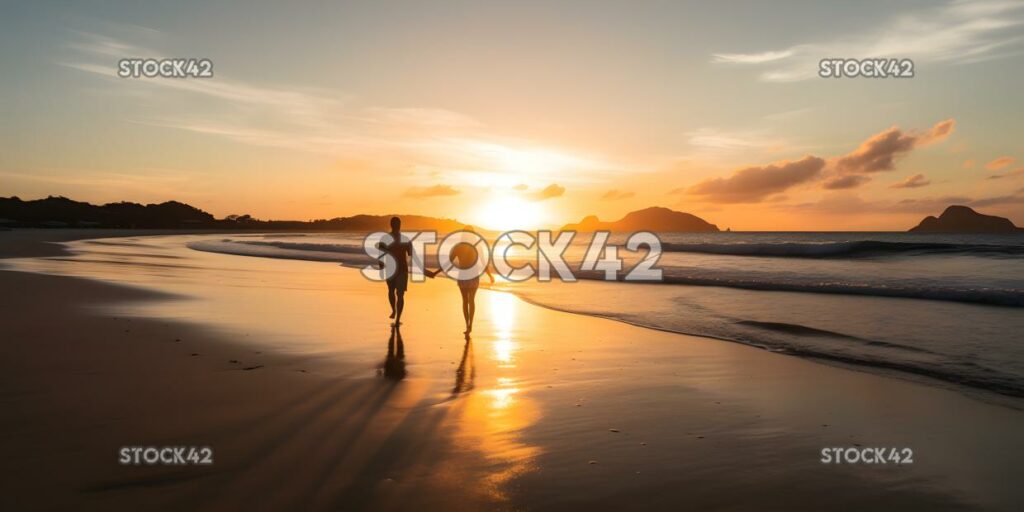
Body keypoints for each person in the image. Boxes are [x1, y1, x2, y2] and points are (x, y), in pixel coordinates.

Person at [427, 226, 494, 335]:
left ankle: (467, 325)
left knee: (465, 301)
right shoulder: (477, 246)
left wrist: (435, 273)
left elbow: (448, 263)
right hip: (473, 275)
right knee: (471, 300)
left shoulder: (458, 247)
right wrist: (490, 275)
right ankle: (470, 325)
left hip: (463, 275)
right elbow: (483, 262)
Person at [378, 216, 415, 326]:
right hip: (402, 269)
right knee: (400, 294)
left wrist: (381, 266)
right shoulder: (405, 239)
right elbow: (411, 254)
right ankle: (397, 316)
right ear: (399, 225)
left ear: (391, 225)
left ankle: (395, 312)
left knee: (391, 291)